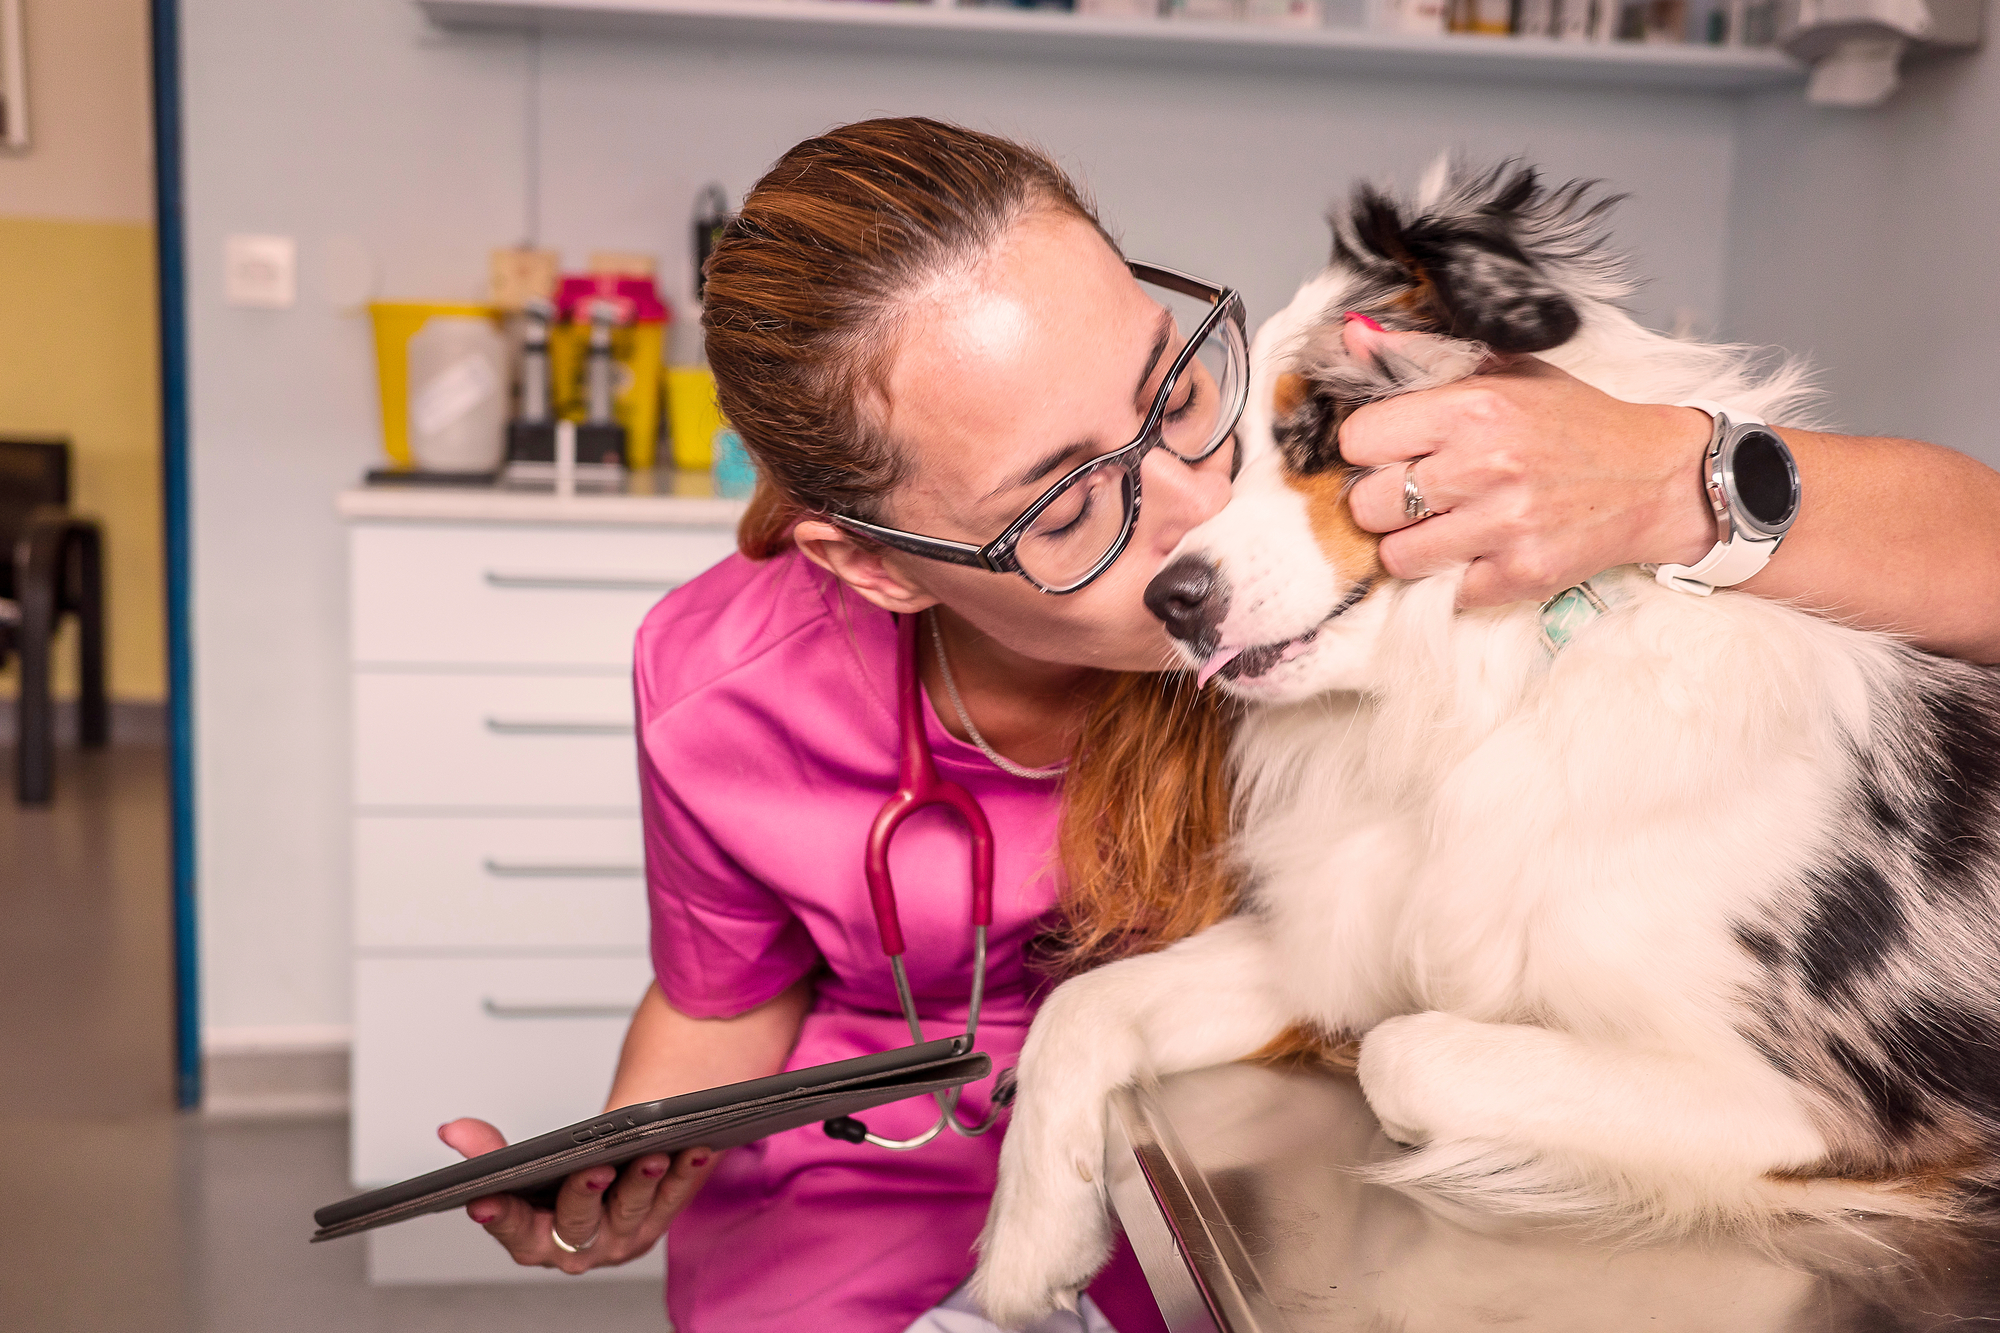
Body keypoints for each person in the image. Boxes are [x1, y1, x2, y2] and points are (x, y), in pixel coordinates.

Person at [438, 117, 2000, 1333]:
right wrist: (628, 1159)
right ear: (866, 561)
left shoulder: (1346, 593)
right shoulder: (721, 677)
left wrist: (1666, 470)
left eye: (1178, 385)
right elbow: (720, 1003)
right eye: (1064, 495)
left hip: (1224, 1196)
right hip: (849, 1213)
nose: (1204, 503)